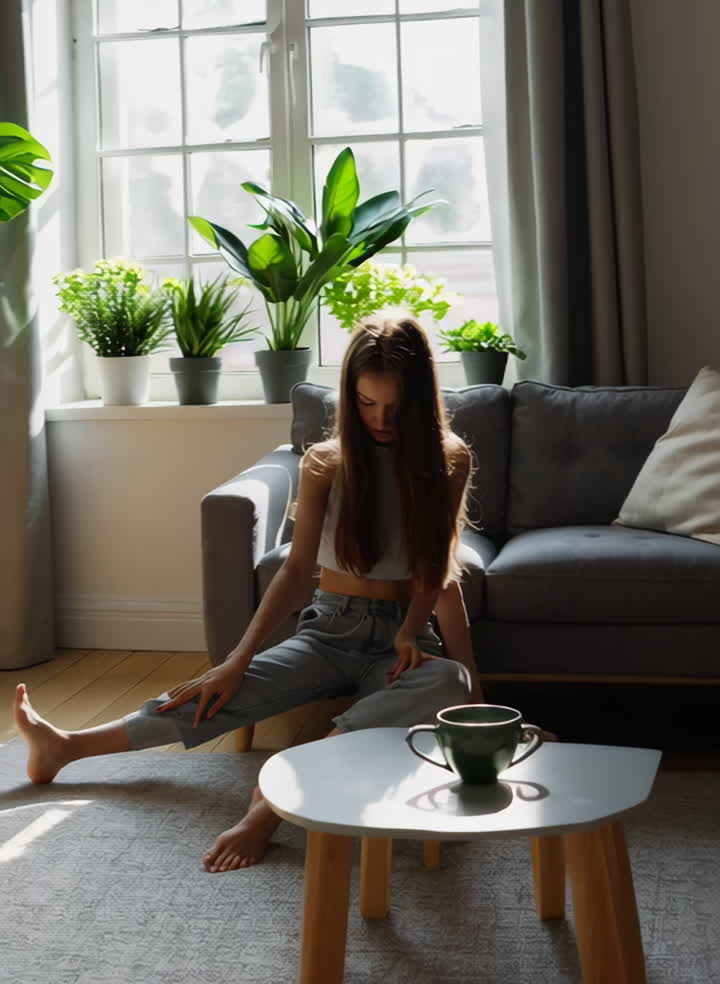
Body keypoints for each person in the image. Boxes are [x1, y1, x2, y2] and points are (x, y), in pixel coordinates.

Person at [15, 313, 485, 872]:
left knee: (447, 679)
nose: (380, 419)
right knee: (216, 691)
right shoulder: (325, 462)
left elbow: (439, 572)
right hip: (331, 628)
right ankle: (67, 745)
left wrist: (469, 685)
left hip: (403, 644)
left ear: (421, 396)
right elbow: (293, 571)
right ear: (349, 396)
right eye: (366, 403)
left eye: (395, 406)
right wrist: (237, 660)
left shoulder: (449, 459)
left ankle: (270, 804)